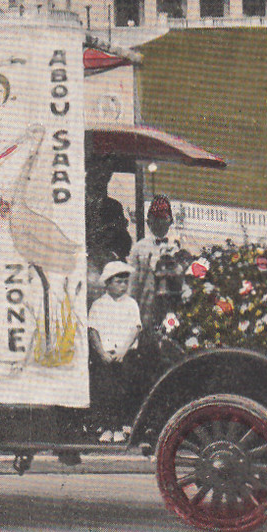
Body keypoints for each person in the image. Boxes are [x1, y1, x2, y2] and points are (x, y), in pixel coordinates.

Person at [87, 260, 143, 436]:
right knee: (105, 390)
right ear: (108, 283)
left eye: (126, 282)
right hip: (105, 356)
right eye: (119, 282)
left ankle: (120, 427)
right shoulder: (98, 305)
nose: (123, 285)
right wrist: (102, 353)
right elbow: (93, 331)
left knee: (122, 391)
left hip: (125, 355)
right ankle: (107, 427)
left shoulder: (131, 304)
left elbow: (136, 328)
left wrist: (123, 351)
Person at [129, 194, 184, 324]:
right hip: (147, 306)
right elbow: (134, 284)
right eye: (155, 219)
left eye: (163, 218)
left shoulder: (177, 246)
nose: (159, 223)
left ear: (170, 221)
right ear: (148, 222)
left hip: (172, 305)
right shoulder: (139, 248)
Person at [86, 163, 133, 273]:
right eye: (96, 178)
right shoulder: (77, 206)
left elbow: (124, 242)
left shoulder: (114, 206)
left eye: (104, 179)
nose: (100, 183)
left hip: (108, 262)